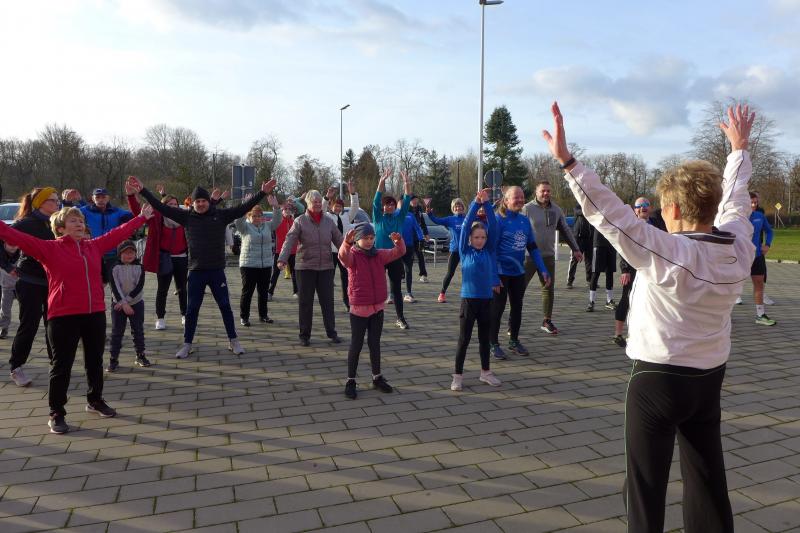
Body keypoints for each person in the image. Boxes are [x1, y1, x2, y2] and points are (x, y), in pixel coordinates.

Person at [543, 101, 756, 532]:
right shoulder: (739, 246)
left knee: (644, 488)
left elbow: (610, 214)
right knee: (707, 479)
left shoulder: (669, 251)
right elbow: (736, 202)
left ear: (672, 210)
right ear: (711, 207)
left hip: (658, 380)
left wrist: (568, 163)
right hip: (708, 379)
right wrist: (738, 150)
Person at [0, 203, 154, 434]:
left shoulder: (93, 246)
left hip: (94, 313)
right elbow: (14, 235)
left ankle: (95, 400)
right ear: (60, 228)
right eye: (73, 221)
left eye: (81, 221)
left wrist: (141, 218)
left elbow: (118, 233)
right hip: (63, 315)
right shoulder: (48, 248)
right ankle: (56, 412)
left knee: (95, 361)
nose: (80, 224)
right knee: (61, 366)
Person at [128, 176, 277, 358]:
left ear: (208, 201)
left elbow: (243, 208)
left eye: (203, 201)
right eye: (197, 201)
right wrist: (143, 190)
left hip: (216, 271)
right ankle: (187, 344)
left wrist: (262, 193)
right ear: (193, 203)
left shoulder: (221, 215)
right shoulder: (186, 216)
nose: (200, 204)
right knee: (192, 309)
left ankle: (233, 340)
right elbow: (161, 207)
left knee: (225, 306)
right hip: (196, 271)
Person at [338, 224, 405, 399]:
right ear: (357, 239)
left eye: (371, 238)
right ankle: (351, 380)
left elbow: (398, 252)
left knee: (375, 343)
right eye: (365, 238)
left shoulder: (379, 254)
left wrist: (398, 241)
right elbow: (343, 257)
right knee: (356, 344)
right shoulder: (353, 255)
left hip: (377, 307)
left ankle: (377, 377)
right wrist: (346, 243)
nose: (369, 241)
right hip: (359, 308)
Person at [490, 186, 550, 360]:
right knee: (498, 308)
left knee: (517, 307)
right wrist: (493, 277)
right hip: (500, 273)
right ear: (506, 200)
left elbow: (532, 247)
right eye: (516, 197)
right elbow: (491, 250)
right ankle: (493, 343)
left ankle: (514, 341)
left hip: (518, 272)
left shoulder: (524, 220)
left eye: (522, 197)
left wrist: (543, 269)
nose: (520, 200)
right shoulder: (498, 220)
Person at [7, 187, 60, 387]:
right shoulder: (26, 223)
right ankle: (16, 367)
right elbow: (5, 241)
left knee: (54, 324)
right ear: (40, 203)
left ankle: (56, 363)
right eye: (52, 200)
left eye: (57, 200)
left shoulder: (57, 221)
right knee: (29, 325)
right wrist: (8, 266)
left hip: (53, 282)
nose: (56, 203)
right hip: (30, 281)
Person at [277, 190, 343, 346]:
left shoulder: (328, 221)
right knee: (305, 303)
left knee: (328, 302)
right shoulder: (300, 221)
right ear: (308, 204)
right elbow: (289, 240)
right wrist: (282, 259)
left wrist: (353, 255)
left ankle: (332, 332)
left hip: (326, 267)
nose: (318, 204)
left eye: (320, 201)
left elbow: (340, 240)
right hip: (305, 267)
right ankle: (304, 335)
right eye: (315, 202)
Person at [451, 190, 502, 391]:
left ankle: (485, 372)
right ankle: (457, 376)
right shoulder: (465, 251)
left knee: (484, 339)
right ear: (470, 239)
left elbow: (494, 226)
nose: (480, 240)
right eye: (476, 237)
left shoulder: (489, 250)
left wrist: (487, 204)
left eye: (483, 237)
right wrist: (475, 203)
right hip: (468, 301)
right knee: (464, 340)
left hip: (486, 301)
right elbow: (465, 226)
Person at [523, 181, 583, 334]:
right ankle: (513, 320)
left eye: (548, 191)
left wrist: (575, 248)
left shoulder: (556, 210)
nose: (546, 193)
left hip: (547, 256)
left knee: (548, 289)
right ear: (536, 192)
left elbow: (565, 230)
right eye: (543, 191)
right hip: (528, 257)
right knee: (519, 289)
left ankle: (547, 321)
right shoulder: (527, 209)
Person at [128, 186, 188, 330]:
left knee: (182, 288)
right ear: (163, 206)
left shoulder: (185, 217)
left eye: (175, 204)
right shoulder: (156, 217)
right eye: (169, 204)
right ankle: (160, 318)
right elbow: (137, 212)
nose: (173, 206)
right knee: (162, 290)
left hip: (181, 257)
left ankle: (185, 315)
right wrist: (131, 196)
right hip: (164, 257)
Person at [611, 198, 661, 347]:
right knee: (627, 298)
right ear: (635, 210)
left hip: (652, 267)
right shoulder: (630, 225)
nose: (643, 207)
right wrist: (625, 270)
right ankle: (618, 334)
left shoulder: (657, 223)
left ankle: (646, 334)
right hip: (633, 266)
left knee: (651, 299)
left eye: (646, 205)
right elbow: (623, 248)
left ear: (650, 208)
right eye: (639, 206)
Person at [372, 169, 413, 329]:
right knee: (376, 288)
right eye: (387, 204)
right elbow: (376, 201)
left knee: (396, 290)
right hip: (378, 256)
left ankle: (400, 318)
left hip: (395, 256)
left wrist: (406, 183)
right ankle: (373, 317)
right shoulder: (378, 218)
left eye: (392, 204)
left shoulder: (399, 218)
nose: (389, 206)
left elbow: (407, 200)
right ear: (383, 207)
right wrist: (381, 182)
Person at [234, 198, 282, 327]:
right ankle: (244, 317)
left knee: (263, 292)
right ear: (249, 216)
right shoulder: (245, 227)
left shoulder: (267, 226)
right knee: (247, 292)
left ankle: (263, 315)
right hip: (248, 265)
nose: (257, 218)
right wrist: (245, 206)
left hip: (265, 264)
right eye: (254, 216)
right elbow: (238, 221)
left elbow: (278, 220)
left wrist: (276, 207)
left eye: (259, 216)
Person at [108, 240, 150, 371]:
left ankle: (140, 355)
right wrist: (123, 303)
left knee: (138, 330)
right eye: (125, 253)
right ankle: (113, 359)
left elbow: (139, 287)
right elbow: (114, 287)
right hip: (118, 305)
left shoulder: (140, 267)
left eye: (132, 252)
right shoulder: (114, 268)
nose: (129, 255)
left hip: (136, 303)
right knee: (117, 332)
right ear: (119, 254)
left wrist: (126, 301)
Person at [80, 187, 134, 283]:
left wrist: (132, 198)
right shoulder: (85, 210)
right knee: (94, 282)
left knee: (115, 283)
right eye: (97, 197)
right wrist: (66, 202)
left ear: (108, 198)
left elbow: (134, 216)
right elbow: (66, 215)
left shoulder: (116, 211)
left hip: (112, 254)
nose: (100, 200)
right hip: (93, 253)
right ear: (92, 198)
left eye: (103, 197)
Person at [323, 183, 359, 311]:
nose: (338, 208)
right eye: (336, 206)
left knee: (346, 278)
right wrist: (327, 197)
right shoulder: (327, 217)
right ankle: (328, 302)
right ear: (331, 206)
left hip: (344, 252)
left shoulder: (346, 217)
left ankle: (347, 301)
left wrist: (353, 194)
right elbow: (321, 209)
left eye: (340, 206)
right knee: (328, 278)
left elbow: (355, 207)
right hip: (331, 252)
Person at [427, 198, 466, 303]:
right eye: (456, 206)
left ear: (463, 207)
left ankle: (468, 293)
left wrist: (491, 206)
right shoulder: (450, 219)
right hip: (455, 250)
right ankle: (442, 293)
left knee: (467, 272)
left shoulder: (467, 218)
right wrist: (430, 214)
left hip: (466, 251)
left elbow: (480, 215)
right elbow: (437, 220)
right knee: (450, 273)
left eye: (460, 206)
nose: (458, 208)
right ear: (453, 208)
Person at [746, 192, 776, 325]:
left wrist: (767, 245)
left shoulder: (759, 216)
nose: (754, 205)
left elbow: (769, 231)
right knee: (731, 286)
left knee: (759, 284)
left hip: (757, 256)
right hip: (740, 257)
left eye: (756, 202)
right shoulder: (736, 217)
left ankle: (760, 315)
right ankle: (724, 315)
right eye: (751, 202)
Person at [269, 197, 305, 299]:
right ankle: (270, 292)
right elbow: (274, 220)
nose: (287, 211)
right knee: (276, 272)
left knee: (294, 272)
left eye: (289, 209)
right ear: (282, 211)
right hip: (279, 251)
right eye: (285, 209)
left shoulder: (294, 221)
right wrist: (275, 207)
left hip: (293, 251)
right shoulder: (278, 221)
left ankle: (296, 291)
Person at [587, 223, 616, 312]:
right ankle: (591, 301)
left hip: (612, 243)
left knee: (610, 272)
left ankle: (609, 301)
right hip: (599, 243)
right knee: (596, 272)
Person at [400, 211, 424, 303]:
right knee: (395, 271)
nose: (403, 205)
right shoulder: (394, 214)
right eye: (401, 203)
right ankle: (393, 294)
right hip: (396, 246)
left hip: (409, 246)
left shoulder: (410, 215)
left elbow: (417, 228)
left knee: (408, 270)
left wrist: (421, 239)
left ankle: (408, 293)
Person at [567, 205, 593, 288]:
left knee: (589, 260)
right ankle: (570, 281)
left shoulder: (592, 206)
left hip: (589, 238)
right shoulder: (578, 206)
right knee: (574, 260)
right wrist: (588, 210)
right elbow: (578, 212)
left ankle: (589, 280)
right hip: (578, 239)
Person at [0, 241, 20, 339]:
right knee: (5, 309)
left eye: (15, 245)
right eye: (10, 244)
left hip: (21, 286)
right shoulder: (1, 255)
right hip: (7, 287)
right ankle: (4, 328)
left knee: (25, 308)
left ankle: (25, 327)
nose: (13, 247)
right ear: (4, 244)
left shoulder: (21, 254)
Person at [409, 196, 430, 282]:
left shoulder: (419, 209)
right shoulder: (406, 210)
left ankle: (423, 275)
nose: (415, 202)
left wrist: (426, 233)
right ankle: (404, 275)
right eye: (413, 200)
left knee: (420, 256)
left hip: (418, 237)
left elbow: (423, 222)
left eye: (416, 200)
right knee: (408, 257)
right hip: (408, 236)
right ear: (409, 201)